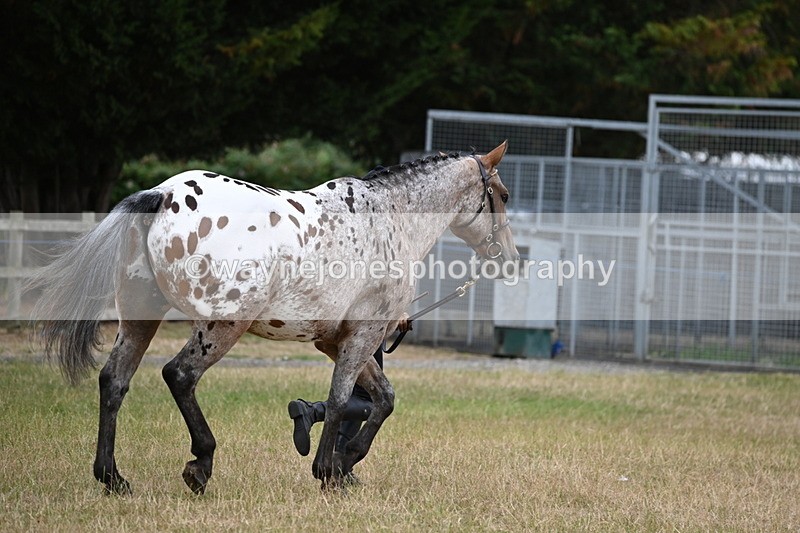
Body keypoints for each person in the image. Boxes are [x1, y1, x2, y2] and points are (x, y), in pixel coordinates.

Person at [287, 317, 411, 477]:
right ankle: (313, 412)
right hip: (366, 323)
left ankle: (342, 466)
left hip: (361, 321)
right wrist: (398, 313)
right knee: (369, 399)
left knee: (359, 394)